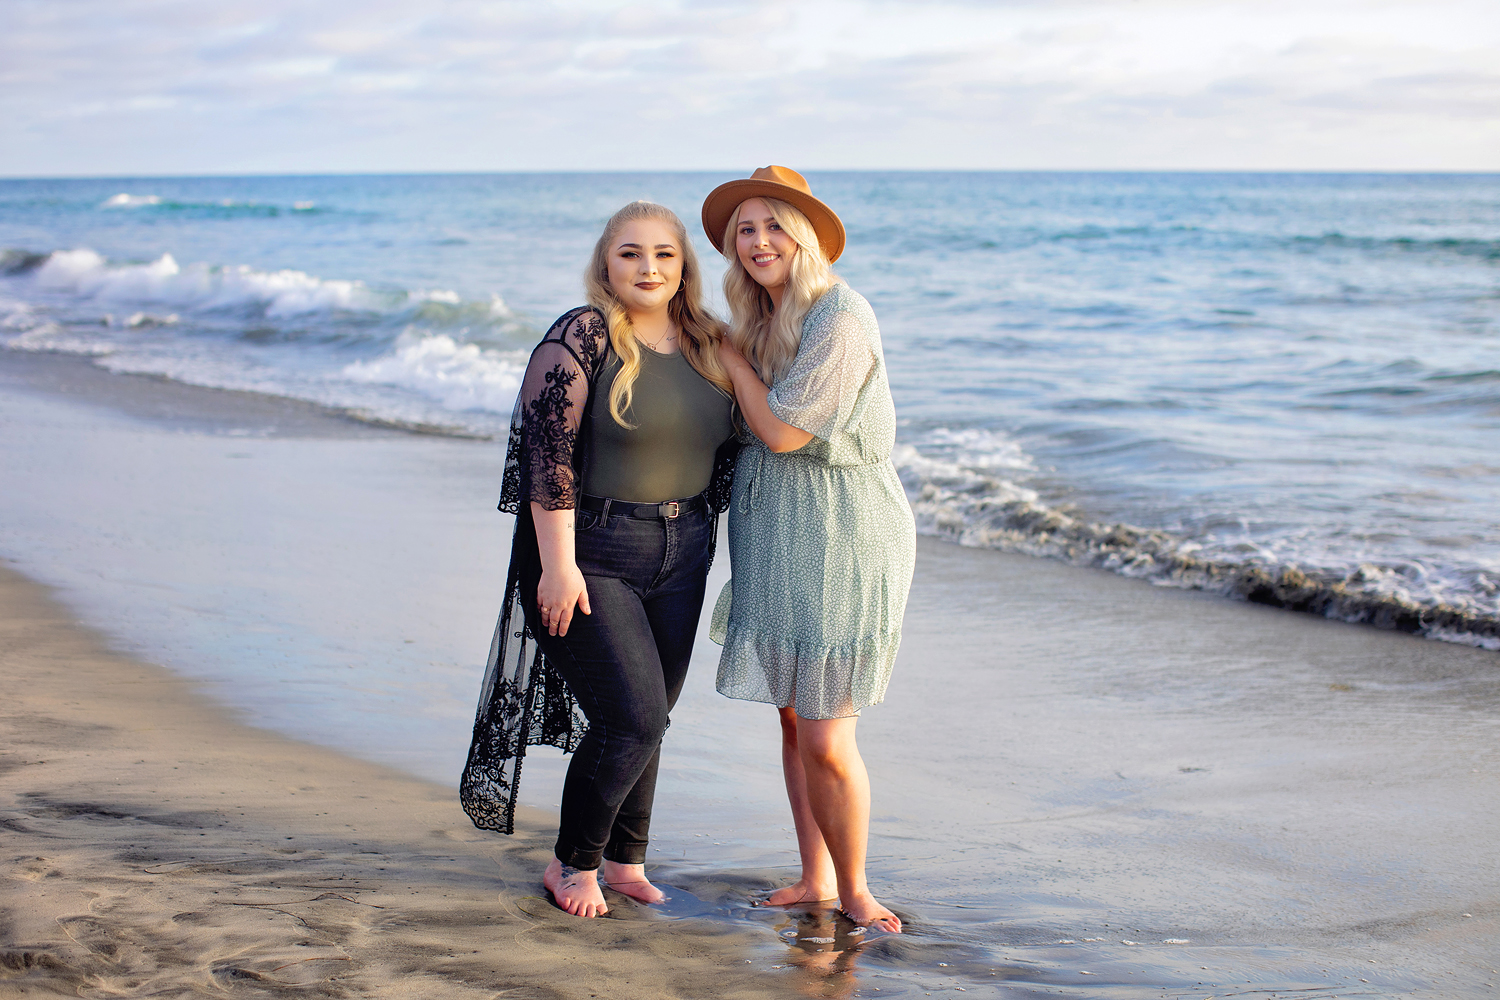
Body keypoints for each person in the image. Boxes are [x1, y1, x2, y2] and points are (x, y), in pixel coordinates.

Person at [460, 201, 737, 918]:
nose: (649, 268)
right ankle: (572, 863)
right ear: (605, 263)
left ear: (685, 265)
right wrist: (558, 566)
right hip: (593, 551)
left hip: (685, 552)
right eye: (630, 254)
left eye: (664, 255)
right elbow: (546, 457)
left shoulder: (711, 341)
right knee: (633, 719)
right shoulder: (580, 336)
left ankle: (624, 859)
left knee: (655, 716)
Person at [701, 166, 915, 933]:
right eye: (745, 231)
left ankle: (856, 888)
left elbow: (786, 431)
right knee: (793, 718)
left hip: (842, 530)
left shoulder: (841, 315)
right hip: (773, 530)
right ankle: (813, 877)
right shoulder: (762, 316)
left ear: (807, 236)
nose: (758, 242)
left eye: (773, 226)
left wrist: (727, 361)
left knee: (827, 729)